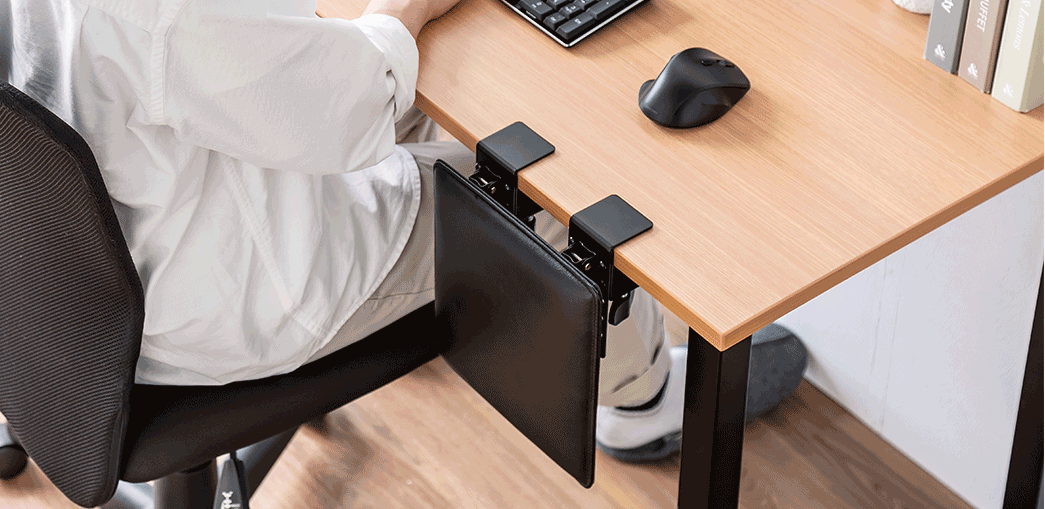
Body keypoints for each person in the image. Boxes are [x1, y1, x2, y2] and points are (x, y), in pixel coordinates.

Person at [4, 0, 805, 463]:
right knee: (574, 180)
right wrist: (408, 8)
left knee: (446, 93)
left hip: (64, 280)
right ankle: (640, 402)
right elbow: (349, 99)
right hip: (242, 294)